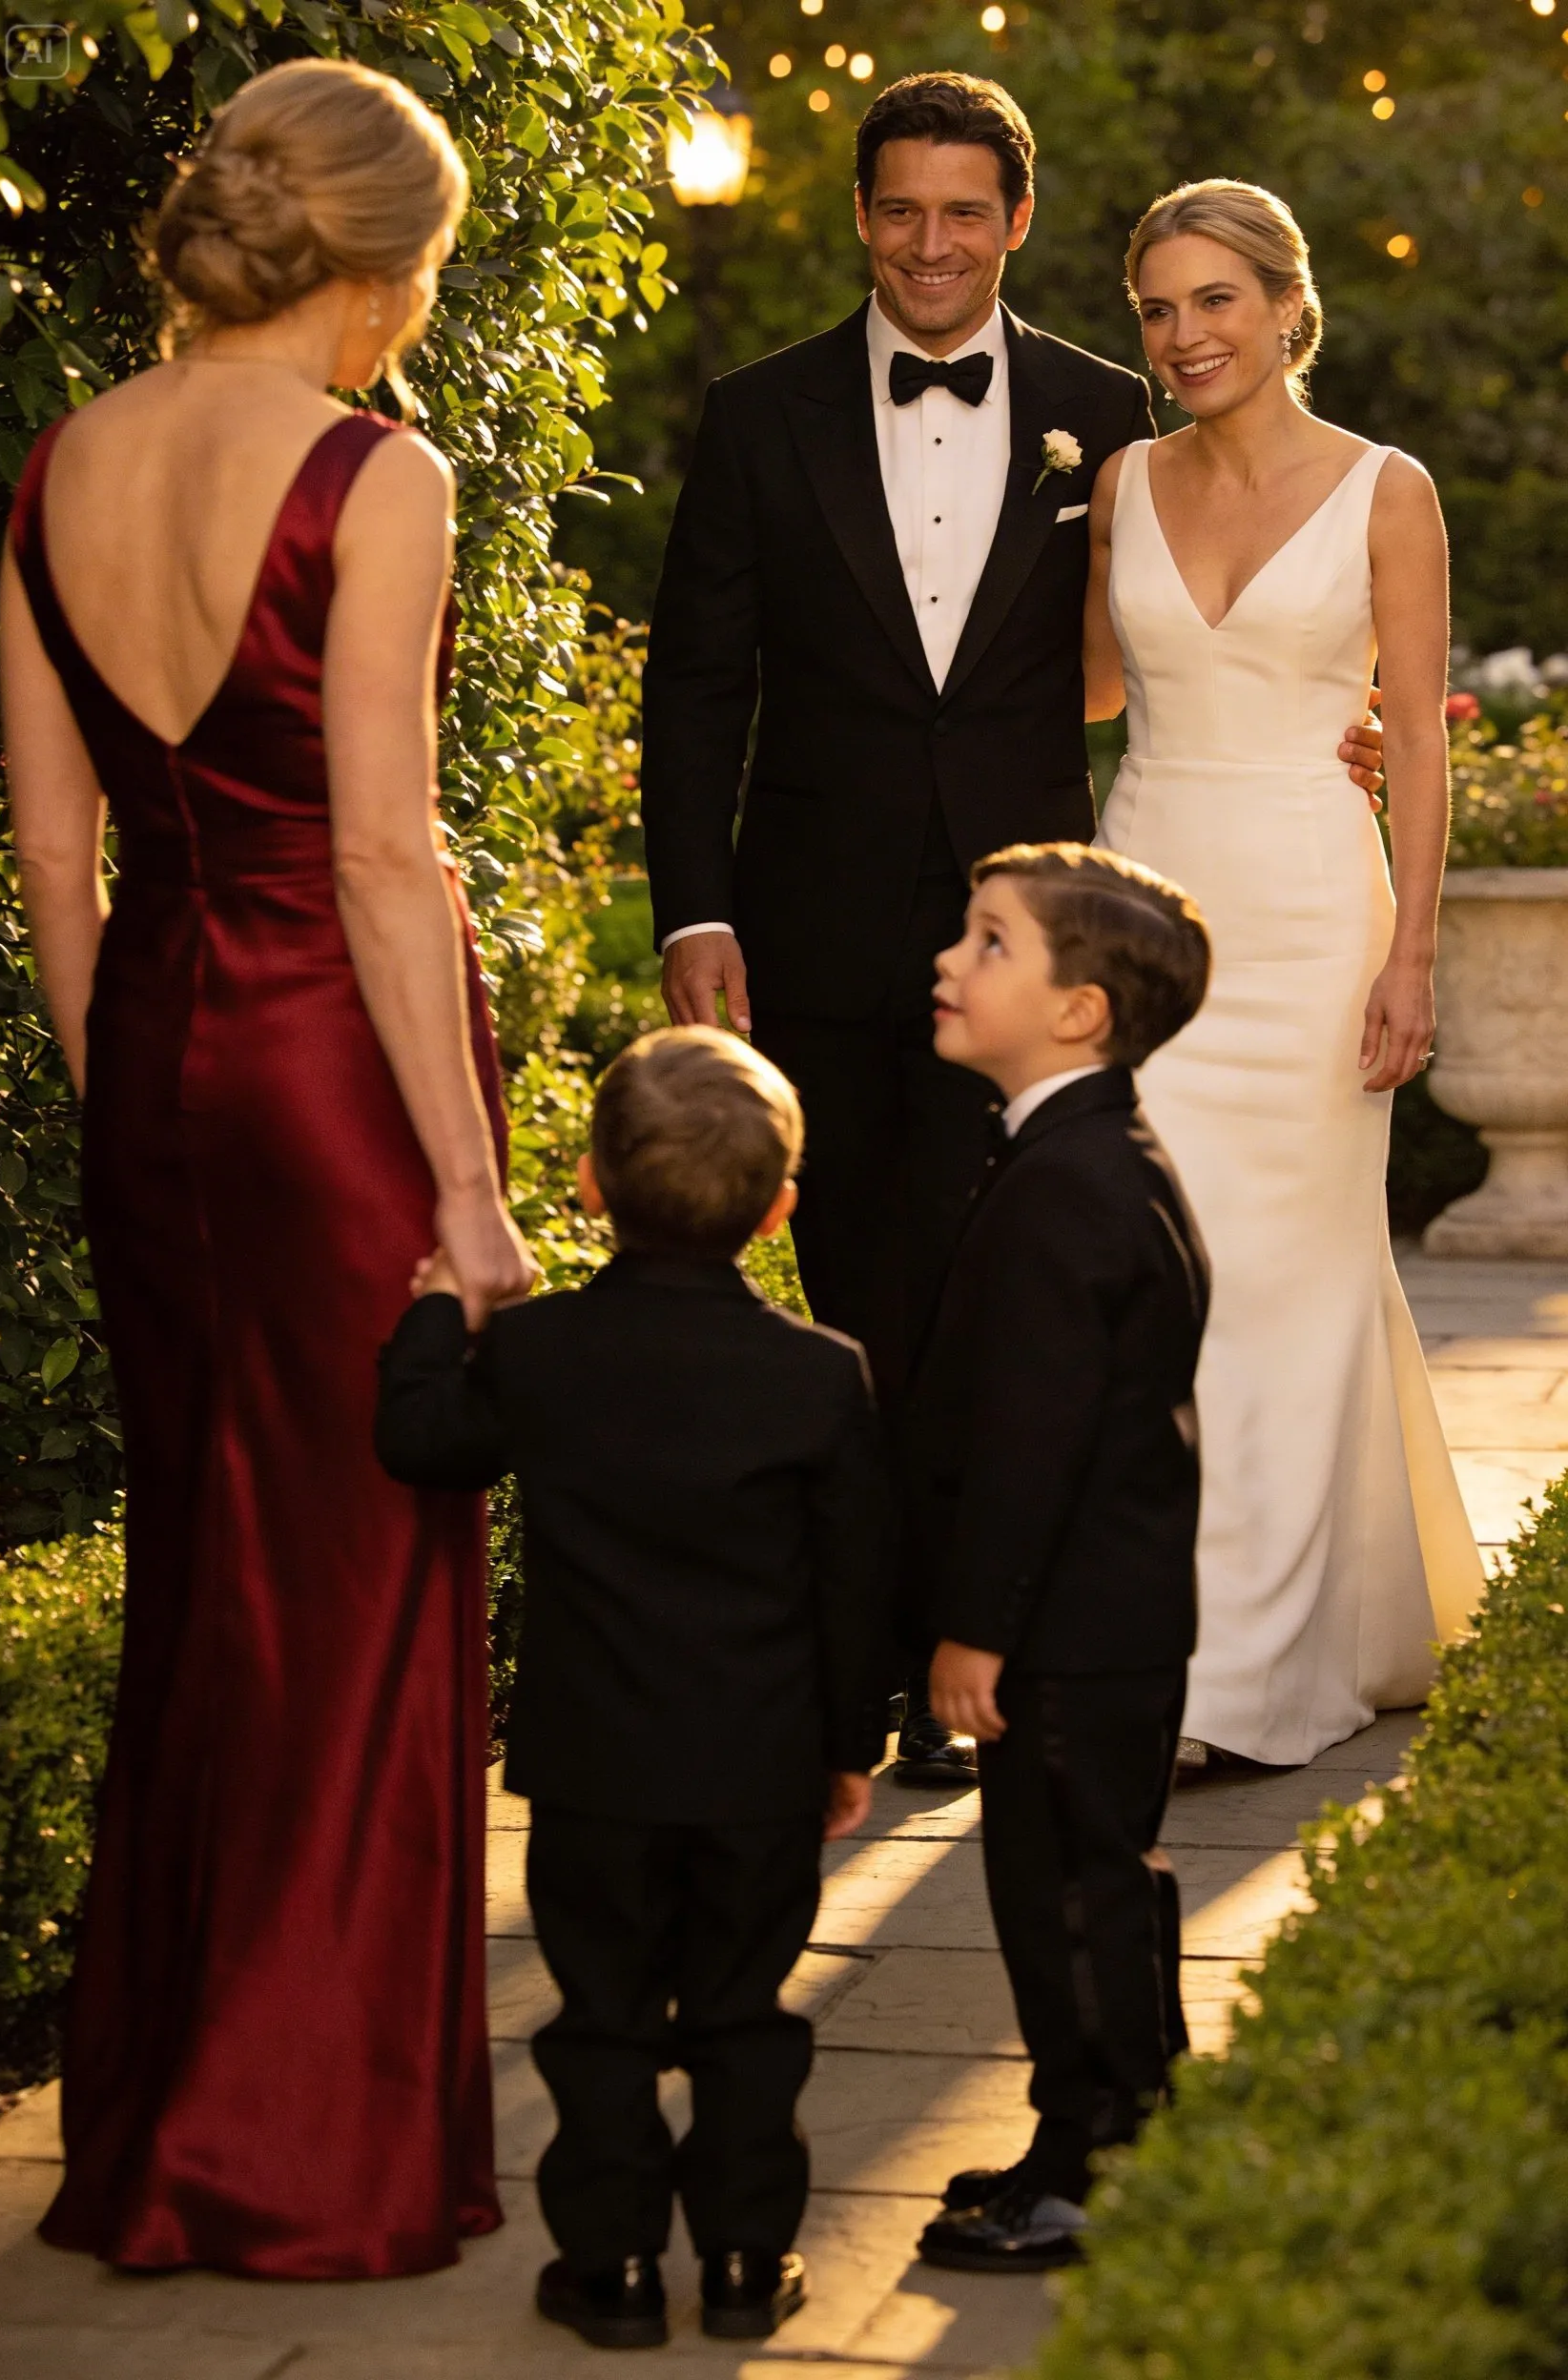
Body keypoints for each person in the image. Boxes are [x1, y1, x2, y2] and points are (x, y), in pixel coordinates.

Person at [641, 74, 1384, 1785]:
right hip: (815, 926)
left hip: (1039, 948)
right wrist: (698, 906)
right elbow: (698, 686)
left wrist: (1331, 720)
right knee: (858, 1302)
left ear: (1017, 221)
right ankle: (869, 1660)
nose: (932, 243)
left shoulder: (1108, 411)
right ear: (860, 218)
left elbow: (1184, 631)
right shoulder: (757, 414)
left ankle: (962, 1666)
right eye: (901, 209)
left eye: (964, 211)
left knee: (1009, 1304)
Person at [0, 59, 535, 2277]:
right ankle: (299, 2155)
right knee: (362, 1594)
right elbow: (389, 864)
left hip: (158, 1058)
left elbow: (53, 854)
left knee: (207, 1583)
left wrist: (137, 1077)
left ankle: (154, 2127)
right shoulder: (368, 469)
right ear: (381, 265)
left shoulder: (62, 462)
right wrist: (470, 1194)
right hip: (334, 1072)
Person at [375, 1027, 890, 2351]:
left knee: (601, 2016)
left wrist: (437, 1310)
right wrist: (847, 1746)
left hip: (594, 1769)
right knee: (743, 2014)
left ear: (592, 1182)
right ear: (779, 1207)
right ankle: (743, 2259)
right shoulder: (820, 1373)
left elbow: (421, 1440)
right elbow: (852, 1587)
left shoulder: (541, 1352)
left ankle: (608, 2270)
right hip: (759, 1772)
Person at [1087, 180, 1484, 1769]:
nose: (1186, 336)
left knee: (1288, 1286)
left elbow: (1421, 748)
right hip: (1141, 923)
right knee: (1163, 1286)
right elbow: (1084, 687)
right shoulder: (1118, 482)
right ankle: (1201, 1633)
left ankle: (1238, 1685)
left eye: (1216, 301)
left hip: (1318, 920)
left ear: (1286, 308)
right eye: (1159, 309)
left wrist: (1415, 953)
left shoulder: (1388, 490)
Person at [903, 843, 1211, 2270]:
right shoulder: (1083, 1155)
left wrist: (977, 1628)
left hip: (1073, 1622)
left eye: (990, 943)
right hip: (1110, 1611)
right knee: (1101, 1876)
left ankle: (1092, 2166)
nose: (949, 961)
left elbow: (1036, 1439)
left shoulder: (1069, 1186)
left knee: (1066, 1897)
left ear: (1080, 1011)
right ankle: (1119, 2125)